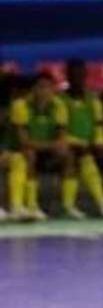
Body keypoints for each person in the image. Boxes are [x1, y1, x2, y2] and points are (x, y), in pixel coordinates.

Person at [6, 70, 69, 221]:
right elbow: (24, 141)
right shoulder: (20, 106)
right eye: (41, 86)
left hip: (44, 148)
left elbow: (61, 137)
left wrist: (59, 146)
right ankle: (28, 206)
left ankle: (68, 206)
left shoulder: (59, 106)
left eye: (48, 87)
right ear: (33, 89)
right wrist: (52, 145)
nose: (44, 91)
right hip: (15, 149)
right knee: (29, 154)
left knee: (68, 156)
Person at [61, 59, 103, 218]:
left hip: (89, 145)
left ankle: (102, 204)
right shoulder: (60, 100)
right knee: (84, 158)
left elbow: (99, 124)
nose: (78, 78)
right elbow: (60, 129)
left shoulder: (94, 100)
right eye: (74, 75)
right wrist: (78, 143)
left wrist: (100, 142)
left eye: (81, 74)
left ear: (85, 76)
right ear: (68, 76)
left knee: (90, 157)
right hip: (67, 143)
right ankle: (100, 203)